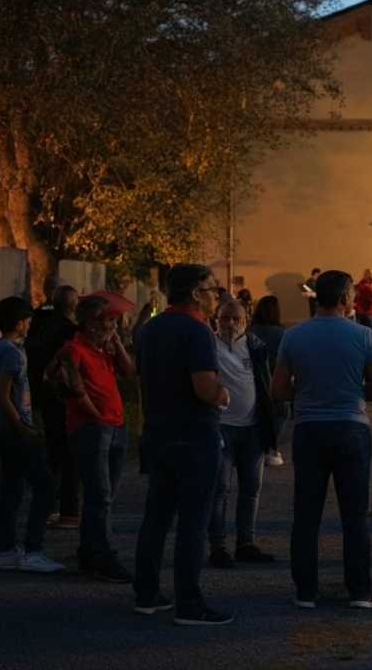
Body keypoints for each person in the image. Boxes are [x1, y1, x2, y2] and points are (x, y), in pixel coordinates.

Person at [272, 270, 372, 609]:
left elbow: (278, 389)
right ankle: (359, 591)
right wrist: (352, 388)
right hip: (351, 428)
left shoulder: (293, 335)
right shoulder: (364, 336)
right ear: (344, 298)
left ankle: (305, 592)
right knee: (353, 515)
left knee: (306, 514)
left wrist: (309, 389)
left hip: (309, 429)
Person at [133, 264, 233, 626]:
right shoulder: (197, 331)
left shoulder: (150, 329)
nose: (215, 296)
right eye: (212, 289)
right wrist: (223, 395)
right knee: (194, 520)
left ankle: (146, 592)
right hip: (194, 435)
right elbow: (204, 387)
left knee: (157, 516)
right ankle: (189, 603)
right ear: (194, 293)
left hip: (158, 432)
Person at [45, 295, 135, 582]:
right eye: (108, 320)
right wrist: (95, 416)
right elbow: (73, 388)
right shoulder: (73, 350)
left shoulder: (103, 350)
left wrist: (117, 342)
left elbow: (129, 372)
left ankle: (89, 551)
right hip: (93, 428)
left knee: (104, 496)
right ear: (91, 322)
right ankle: (102, 554)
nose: (112, 325)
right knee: (100, 496)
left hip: (115, 426)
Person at [0, 296, 64, 573]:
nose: (30, 324)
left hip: (2, 427)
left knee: (12, 486)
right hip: (13, 429)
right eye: (28, 319)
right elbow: (3, 394)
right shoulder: (11, 352)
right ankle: (33, 549)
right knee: (44, 486)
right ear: (19, 322)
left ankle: (6, 550)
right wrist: (22, 426)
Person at [208, 299, 276, 567]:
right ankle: (218, 546)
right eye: (225, 318)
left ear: (246, 320)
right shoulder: (209, 345)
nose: (230, 324)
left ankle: (246, 542)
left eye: (236, 318)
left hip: (252, 428)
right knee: (219, 489)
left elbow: (266, 383)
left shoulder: (255, 346)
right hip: (220, 427)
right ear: (217, 320)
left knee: (251, 488)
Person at [27, 283, 80, 529]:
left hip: (44, 395)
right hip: (63, 397)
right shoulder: (70, 331)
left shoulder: (40, 324)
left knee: (53, 453)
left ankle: (47, 506)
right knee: (69, 455)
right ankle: (68, 509)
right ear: (73, 305)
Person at [249, 295, 288, 467]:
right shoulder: (282, 333)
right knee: (280, 412)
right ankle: (270, 447)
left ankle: (258, 447)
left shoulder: (250, 331)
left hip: (253, 378)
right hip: (275, 376)